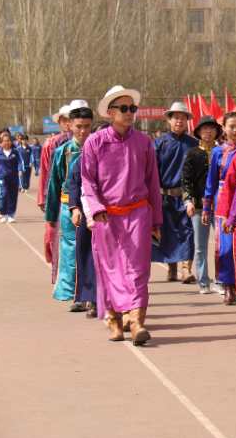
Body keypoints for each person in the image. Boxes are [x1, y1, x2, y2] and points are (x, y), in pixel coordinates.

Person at [81, 85, 162, 345]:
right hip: (107, 216)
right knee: (110, 269)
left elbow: (152, 183)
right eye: (124, 108)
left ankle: (137, 322)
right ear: (110, 112)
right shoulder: (95, 142)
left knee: (138, 270)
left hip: (138, 213)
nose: (129, 113)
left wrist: (156, 220)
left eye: (132, 108)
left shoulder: (144, 142)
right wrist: (96, 209)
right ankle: (114, 320)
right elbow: (87, 181)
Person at [45, 101, 94, 310]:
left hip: (94, 207)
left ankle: (94, 294)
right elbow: (54, 184)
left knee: (94, 250)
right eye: (78, 126)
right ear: (70, 126)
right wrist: (51, 216)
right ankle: (76, 294)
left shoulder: (99, 148)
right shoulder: (62, 151)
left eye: (87, 126)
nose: (83, 131)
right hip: (69, 208)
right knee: (71, 251)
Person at [152, 102, 198, 283]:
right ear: (169, 120)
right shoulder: (159, 143)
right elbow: (152, 171)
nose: (179, 121)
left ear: (187, 121)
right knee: (167, 233)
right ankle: (171, 269)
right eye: (176, 117)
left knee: (187, 232)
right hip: (164, 196)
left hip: (186, 197)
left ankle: (186, 270)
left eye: (183, 118)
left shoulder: (193, 144)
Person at [203, 112, 236, 305]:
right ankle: (228, 286)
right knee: (226, 246)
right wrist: (206, 206)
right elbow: (211, 180)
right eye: (231, 126)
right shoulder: (218, 152)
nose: (235, 130)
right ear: (224, 128)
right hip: (224, 199)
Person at [182, 115, 222, 294]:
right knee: (200, 246)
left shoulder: (222, 151)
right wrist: (188, 201)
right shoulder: (192, 153)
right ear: (198, 132)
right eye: (204, 128)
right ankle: (203, 281)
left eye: (212, 128)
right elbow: (186, 180)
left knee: (221, 245)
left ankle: (221, 280)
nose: (208, 132)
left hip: (220, 206)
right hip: (198, 206)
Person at [39, 105, 73, 279]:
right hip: (58, 197)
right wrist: (43, 198)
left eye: (70, 119)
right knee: (53, 236)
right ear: (59, 122)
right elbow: (46, 172)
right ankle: (59, 275)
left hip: (81, 198)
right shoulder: (51, 144)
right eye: (64, 120)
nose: (67, 123)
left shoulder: (89, 141)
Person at [67, 138, 97, 317]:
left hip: (111, 216)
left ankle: (105, 300)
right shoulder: (81, 161)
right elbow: (73, 185)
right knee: (86, 256)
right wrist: (75, 208)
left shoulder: (115, 160)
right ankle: (88, 298)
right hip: (87, 214)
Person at [0, 132, 24, 222]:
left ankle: (11, 215)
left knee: (13, 196)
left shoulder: (15, 152)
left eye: (8, 141)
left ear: (11, 142)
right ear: (1, 143)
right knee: (3, 195)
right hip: (1, 178)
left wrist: (21, 169)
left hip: (14, 177)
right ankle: (3, 214)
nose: (7, 142)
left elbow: (21, 162)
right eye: (5, 141)